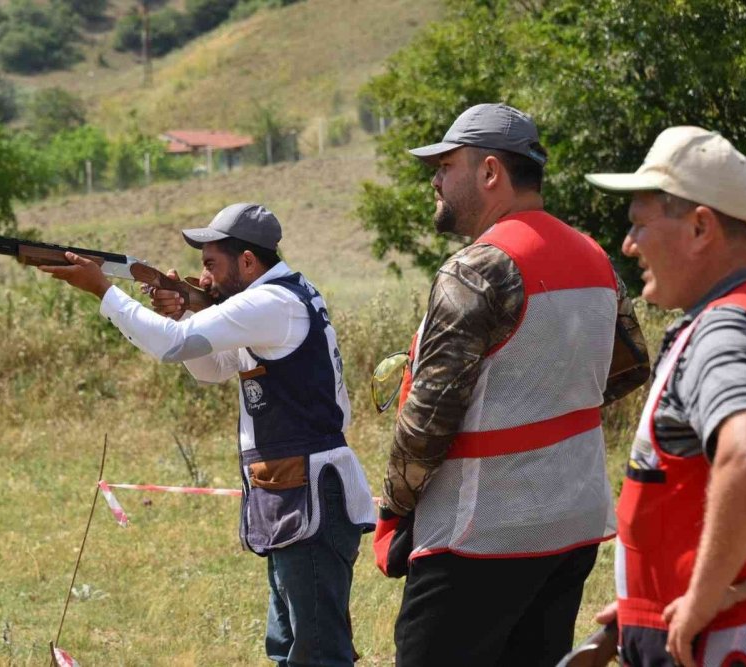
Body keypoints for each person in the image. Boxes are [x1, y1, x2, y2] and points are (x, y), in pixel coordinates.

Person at [371, 103, 651, 666]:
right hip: (571, 521)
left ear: (491, 172)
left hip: (480, 533)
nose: (436, 178)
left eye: (447, 164)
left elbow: (427, 424)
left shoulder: (475, 269)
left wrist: (395, 508)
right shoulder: (595, 256)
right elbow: (630, 367)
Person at [39, 202, 377, 667]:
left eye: (211, 264)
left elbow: (172, 348)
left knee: (318, 654)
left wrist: (104, 292)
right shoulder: (274, 298)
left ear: (247, 262)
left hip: (308, 494)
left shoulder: (270, 303)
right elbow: (212, 368)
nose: (205, 278)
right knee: (287, 647)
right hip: (289, 493)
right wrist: (183, 316)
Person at [585, 127, 746, 667]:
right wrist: (649, 597)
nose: (628, 244)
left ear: (701, 227)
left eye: (639, 223)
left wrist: (702, 595)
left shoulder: (724, 328)